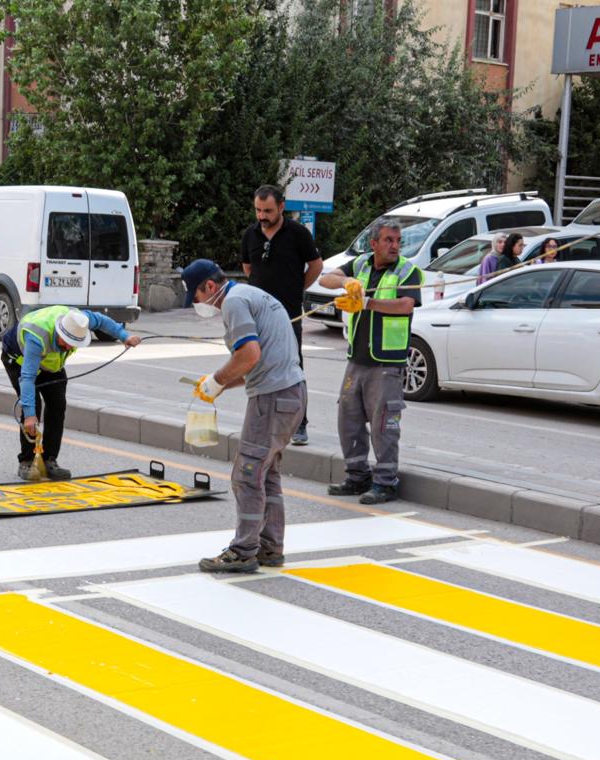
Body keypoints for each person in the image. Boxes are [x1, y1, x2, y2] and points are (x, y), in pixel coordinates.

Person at [180, 258, 307, 574]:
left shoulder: (234, 303)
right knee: (267, 473)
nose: (198, 305)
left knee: (247, 474)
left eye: (196, 297)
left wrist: (217, 380)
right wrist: (218, 384)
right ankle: (269, 546)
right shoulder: (251, 294)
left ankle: (243, 551)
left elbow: (248, 354)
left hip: (272, 397)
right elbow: (254, 362)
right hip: (291, 393)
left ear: (209, 286)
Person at [318, 217, 422, 504]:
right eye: (389, 240)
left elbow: (405, 306)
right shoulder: (361, 265)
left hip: (387, 363)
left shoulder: (408, 271)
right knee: (348, 419)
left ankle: (386, 482)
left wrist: (367, 303)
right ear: (373, 243)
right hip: (357, 359)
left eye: (398, 241)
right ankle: (357, 476)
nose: (395, 246)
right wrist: (347, 281)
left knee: (384, 424)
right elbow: (326, 278)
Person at [2, 306, 140, 481]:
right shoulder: (37, 337)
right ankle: (27, 461)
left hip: (50, 363)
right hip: (19, 360)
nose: (68, 346)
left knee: (58, 405)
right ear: (59, 331)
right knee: (33, 406)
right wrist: (29, 415)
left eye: (73, 343)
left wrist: (124, 336)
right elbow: (27, 378)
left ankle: (49, 460)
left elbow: (102, 320)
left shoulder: (79, 320)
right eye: (66, 341)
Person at [240, 184, 322, 446]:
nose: (262, 216)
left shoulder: (297, 233)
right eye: (258, 210)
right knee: (257, 364)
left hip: (288, 314)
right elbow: (248, 268)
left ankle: (300, 424)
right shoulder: (250, 235)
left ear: (282, 207)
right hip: (258, 316)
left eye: (268, 211)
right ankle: (263, 419)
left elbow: (316, 265)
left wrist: (298, 288)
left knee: (292, 367)